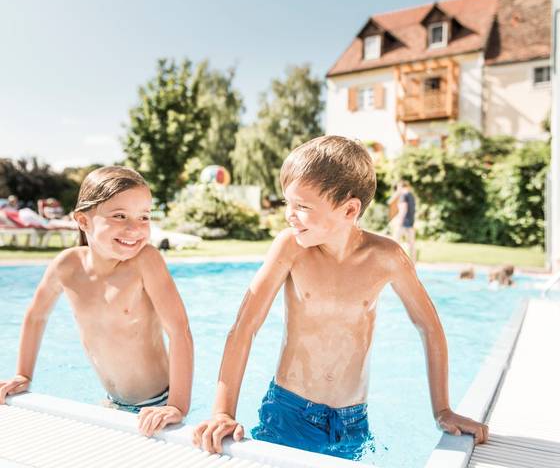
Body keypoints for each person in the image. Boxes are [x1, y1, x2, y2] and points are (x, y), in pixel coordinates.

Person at [193, 135, 488, 460]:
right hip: (290, 412)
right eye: (287, 203)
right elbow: (244, 327)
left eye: (302, 207)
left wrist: (443, 410)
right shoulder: (291, 248)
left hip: (352, 421)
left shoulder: (386, 257)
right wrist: (223, 411)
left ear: (349, 209)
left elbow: (429, 327)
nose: (289, 215)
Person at [0, 166, 193, 437]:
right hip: (113, 402)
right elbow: (36, 316)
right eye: (119, 215)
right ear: (83, 220)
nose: (134, 228)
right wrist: (23, 375)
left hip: (157, 405)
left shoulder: (146, 261)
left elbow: (179, 331)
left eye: (144, 217)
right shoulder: (66, 265)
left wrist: (177, 407)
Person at [390, 180, 417, 263]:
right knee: (411, 244)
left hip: (403, 223)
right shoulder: (411, 195)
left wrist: (399, 222)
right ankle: (413, 262)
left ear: (401, 187)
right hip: (411, 223)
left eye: (398, 188)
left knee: (394, 242)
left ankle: (393, 260)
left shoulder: (403, 196)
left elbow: (403, 210)